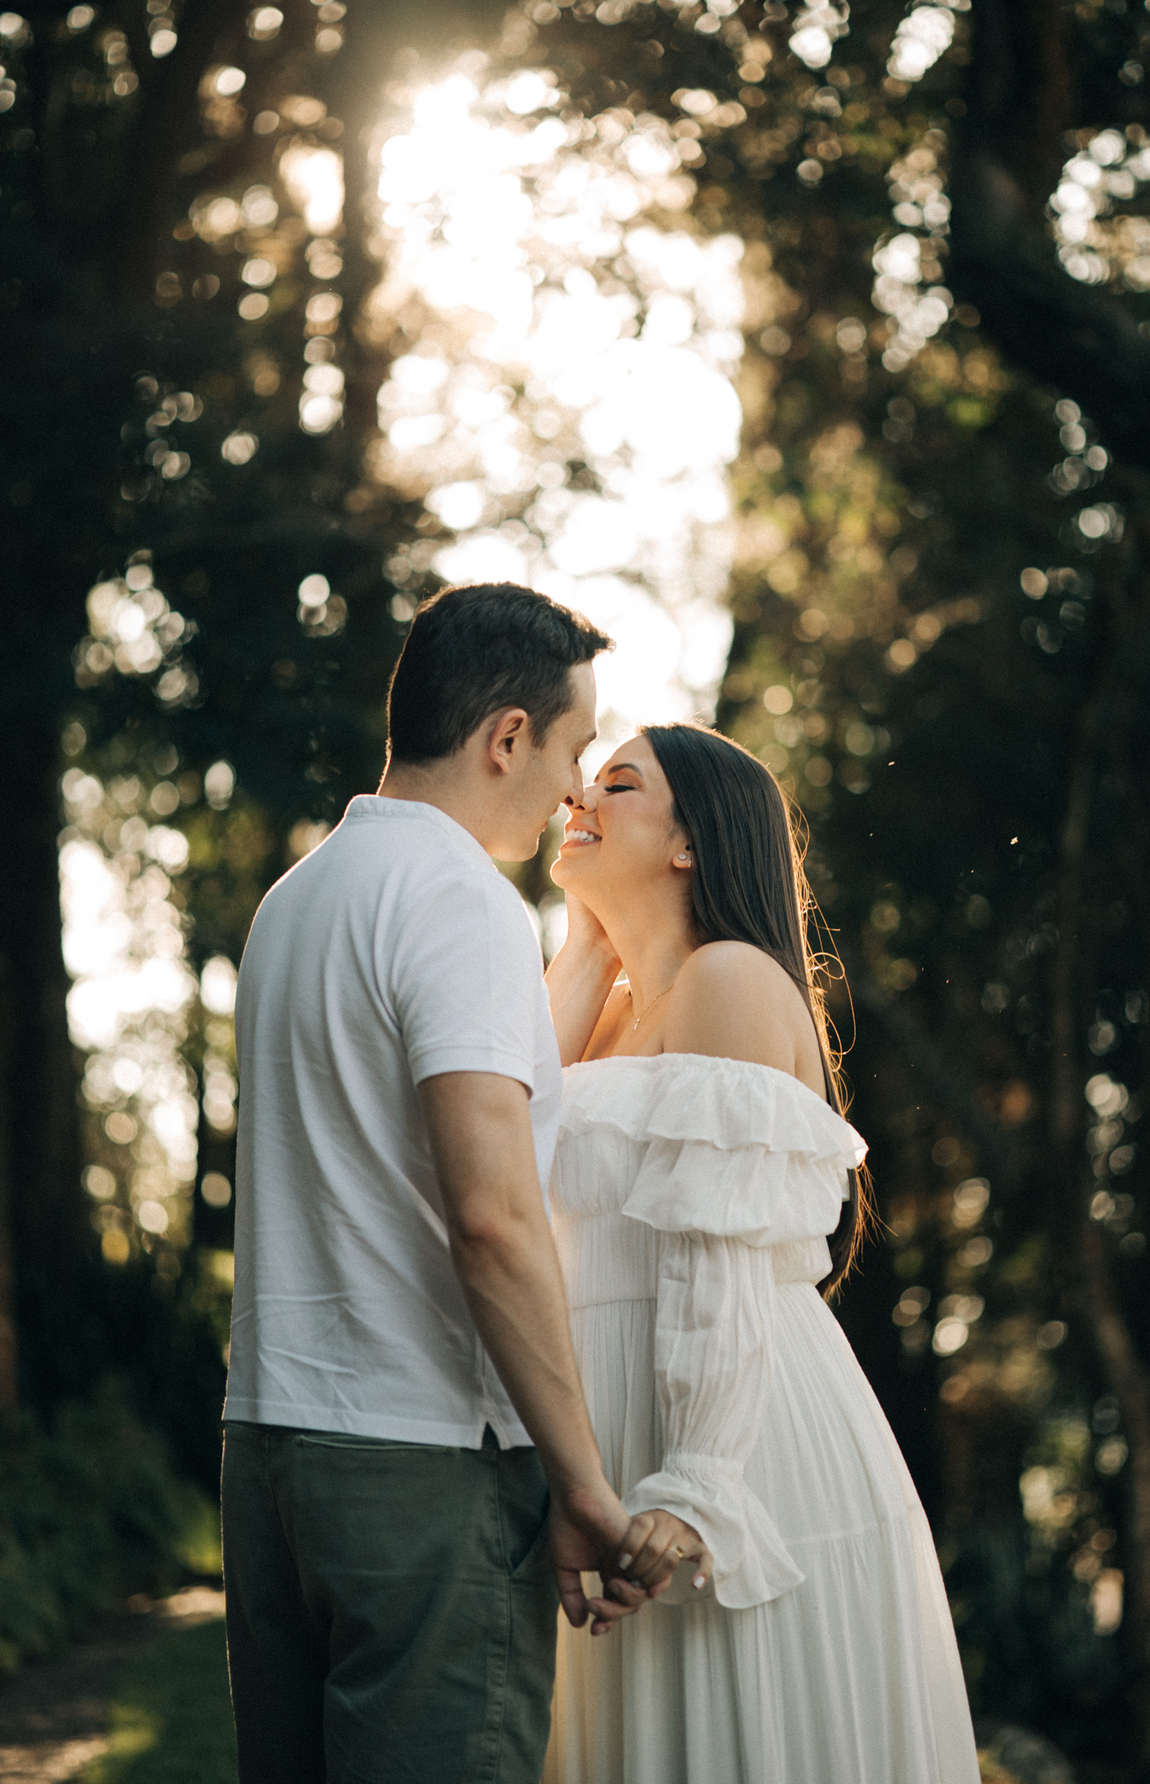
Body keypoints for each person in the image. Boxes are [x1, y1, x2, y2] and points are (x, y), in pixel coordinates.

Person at [221, 583, 667, 1784]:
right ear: (506, 737)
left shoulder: (297, 902)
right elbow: (493, 1211)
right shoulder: (459, 899)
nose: (578, 787)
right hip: (423, 1466)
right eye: (574, 748)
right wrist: (581, 1479)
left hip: (270, 1454)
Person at [540, 721, 982, 1784]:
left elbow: (716, 1253)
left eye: (618, 784)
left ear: (692, 842)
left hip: (729, 1439)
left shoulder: (730, 978)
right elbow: (498, 1154)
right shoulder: (608, 1013)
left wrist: (694, 1487)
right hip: (609, 1434)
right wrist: (589, 944)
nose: (576, 802)